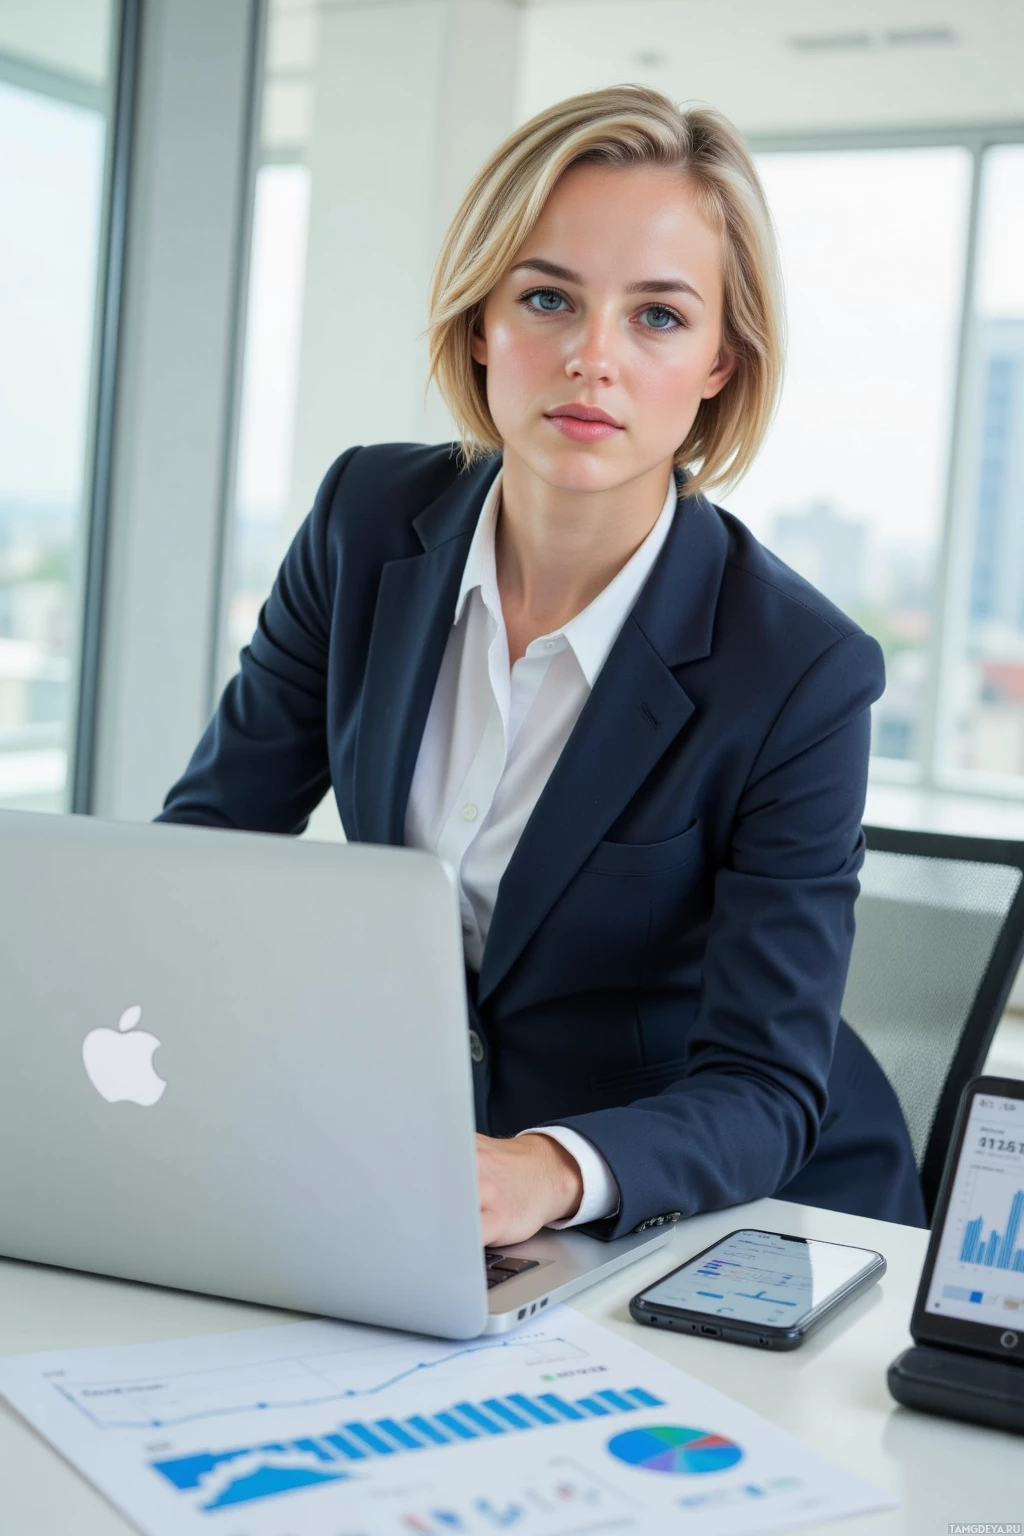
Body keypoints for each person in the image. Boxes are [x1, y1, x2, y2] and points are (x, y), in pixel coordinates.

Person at [158, 84, 927, 1244]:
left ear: (722, 360)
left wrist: (549, 1173)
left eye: (658, 317)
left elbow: (767, 1088)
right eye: (547, 297)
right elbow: (209, 847)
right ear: (481, 323)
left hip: (734, 1218)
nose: (590, 358)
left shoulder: (802, 671)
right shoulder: (364, 520)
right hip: (442, 1188)